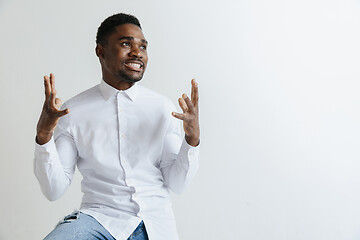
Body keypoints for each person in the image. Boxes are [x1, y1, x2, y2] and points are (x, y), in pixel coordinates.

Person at [34, 13, 200, 240]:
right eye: (125, 43)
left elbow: (177, 184)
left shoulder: (162, 108)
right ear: (100, 51)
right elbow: (54, 189)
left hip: (154, 224)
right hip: (98, 220)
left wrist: (191, 141)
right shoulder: (73, 112)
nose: (137, 52)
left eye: (143, 46)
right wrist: (44, 136)